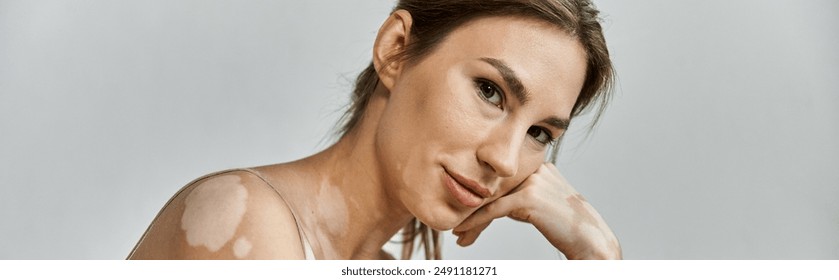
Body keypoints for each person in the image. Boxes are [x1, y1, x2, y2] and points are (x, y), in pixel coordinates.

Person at [128, 0, 621, 260]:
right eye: (490, 91)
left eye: (540, 134)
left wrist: (598, 258)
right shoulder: (244, 218)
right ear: (395, 49)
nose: (506, 160)